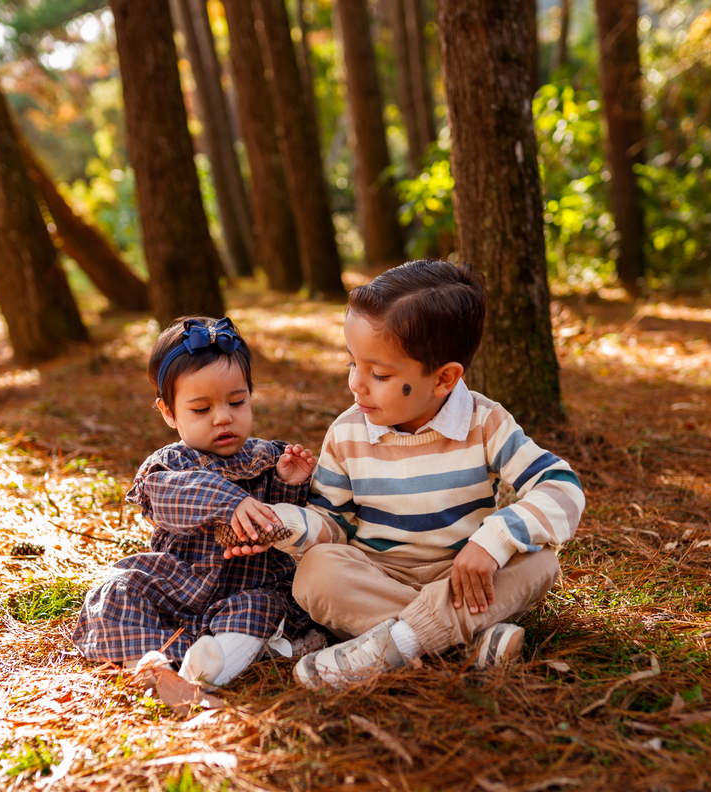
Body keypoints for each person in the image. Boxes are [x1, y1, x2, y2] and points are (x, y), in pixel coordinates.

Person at [226, 260, 585, 688]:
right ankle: (458, 643)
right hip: (379, 578)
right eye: (351, 363)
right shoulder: (347, 433)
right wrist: (283, 523)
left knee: (540, 561)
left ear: (444, 379)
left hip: (464, 577)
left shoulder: (484, 423)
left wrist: (494, 542)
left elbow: (561, 488)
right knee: (317, 572)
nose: (356, 384)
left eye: (379, 374)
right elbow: (332, 525)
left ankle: (394, 644)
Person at [71, 316, 321, 688]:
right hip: (182, 578)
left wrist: (289, 483)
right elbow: (175, 496)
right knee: (118, 588)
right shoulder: (169, 465)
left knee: (262, 608)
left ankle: (209, 670)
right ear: (169, 413)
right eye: (201, 410)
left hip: (249, 586)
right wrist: (229, 502)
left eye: (237, 401)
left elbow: (287, 527)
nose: (223, 417)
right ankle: (147, 661)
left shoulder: (268, 458)